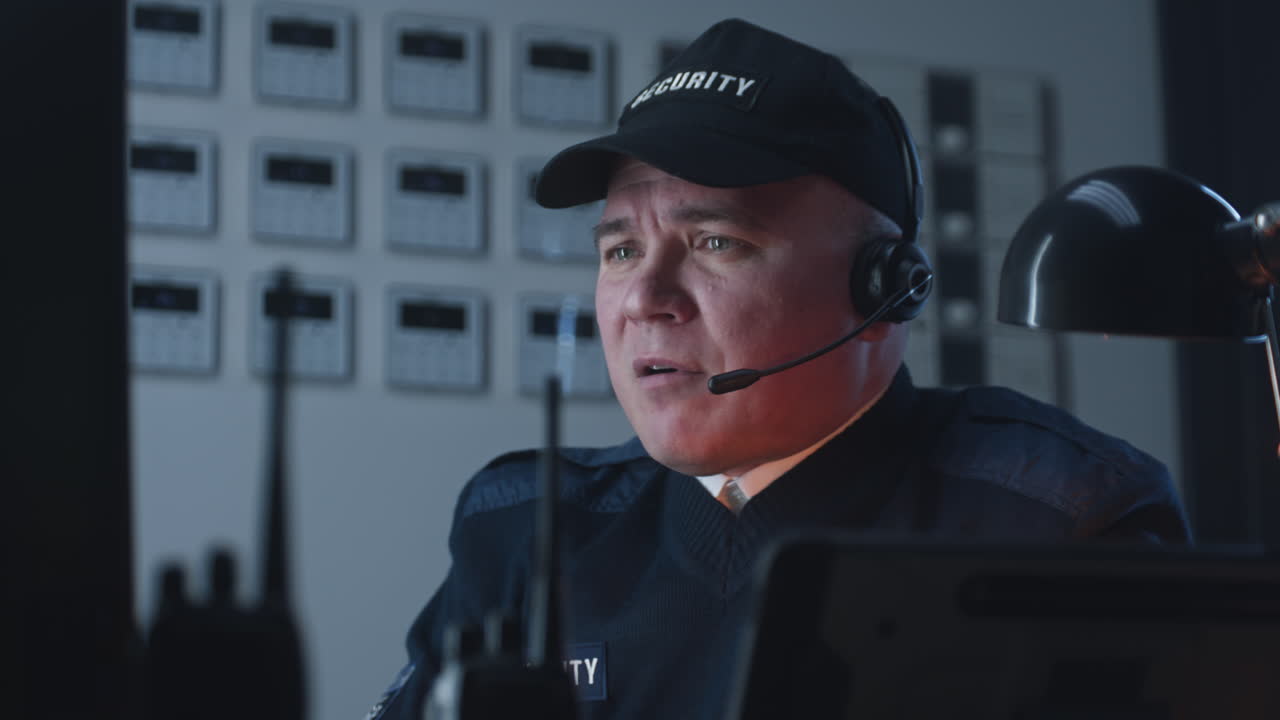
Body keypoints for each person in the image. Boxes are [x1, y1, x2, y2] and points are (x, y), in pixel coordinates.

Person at [365, 18, 1190, 720]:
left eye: (716, 243)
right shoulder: (521, 526)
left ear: (884, 287)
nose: (645, 298)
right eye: (621, 250)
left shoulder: (1062, 516)